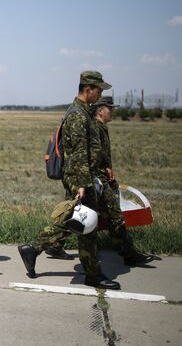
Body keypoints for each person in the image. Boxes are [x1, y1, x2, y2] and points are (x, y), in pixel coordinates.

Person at [18, 71, 121, 289]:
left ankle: (33, 248)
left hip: (86, 176)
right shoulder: (77, 115)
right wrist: (82, 184)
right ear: (88, 89)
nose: (100, 94)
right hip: (80, 178)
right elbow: (78, 154)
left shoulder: (84, 113)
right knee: (86, 225)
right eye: (99, 89)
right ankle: (92, 274)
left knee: (81, 223)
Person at [44, 97, 152, 266]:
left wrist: (108, 167)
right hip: (92, 179)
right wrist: (98, 175)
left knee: (76, 214)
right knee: (113, 216)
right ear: (101, 110)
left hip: (89, 178)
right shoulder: (94, 126)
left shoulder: (100, 126)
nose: (113, 111)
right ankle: (126, 254)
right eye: (110, 108)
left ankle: (51, 244)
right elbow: (90, 156)